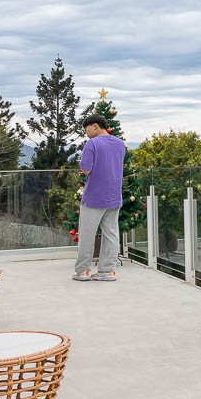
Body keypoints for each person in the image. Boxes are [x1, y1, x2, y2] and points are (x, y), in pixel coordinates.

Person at [73, 113, 127, 282]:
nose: (86, 132)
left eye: (86, 128)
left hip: (94, 197)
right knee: (111, 234)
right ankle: (107, 271)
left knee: (87, 235)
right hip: (114, 196)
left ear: (95, 125)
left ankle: (82, 271)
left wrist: (82, 169)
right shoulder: (120, 144)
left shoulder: (91, 144)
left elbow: (86, 169)